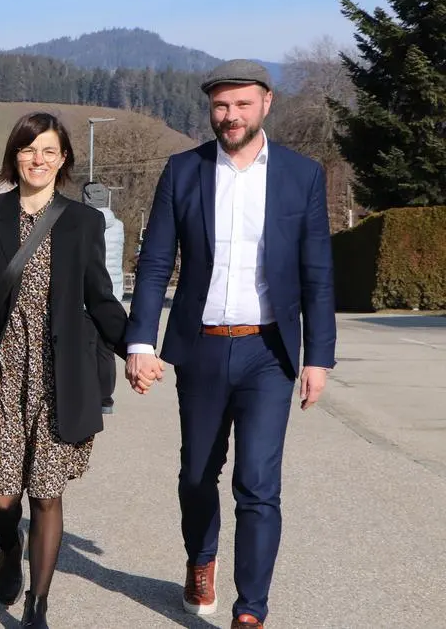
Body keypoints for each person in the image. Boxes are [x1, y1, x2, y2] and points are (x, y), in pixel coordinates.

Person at [124, 59, 337, 629]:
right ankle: (201, 558)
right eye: (221, 105)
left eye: (242, 104)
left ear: (266, 103)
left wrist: (318, 356)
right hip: (201, 347)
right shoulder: (183, 171)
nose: (231, 115)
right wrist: (140, 341)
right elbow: (155, 263)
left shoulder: (301, 175)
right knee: (197, 474)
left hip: (269, 352)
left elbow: (317, 273)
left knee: (258, 484)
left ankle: (251, 610)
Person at [0, 112, 129, 628]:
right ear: (14, 156)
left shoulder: (83, 222)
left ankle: (37, 606)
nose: (37, 160)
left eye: (48, 151)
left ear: (63, 160)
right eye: (28, 149)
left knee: (46, 493)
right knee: (2, 496)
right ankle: (7, 543)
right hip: (2, 370)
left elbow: (100, 300)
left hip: (60, 377)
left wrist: (137, 348)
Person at [81, 181, 126, 414]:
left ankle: (85, 395)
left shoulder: (82, 223)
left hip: (87, 294)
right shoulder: (118, 225)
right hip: (113, 293)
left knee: (84, 347)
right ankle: (106, 399)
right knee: (105, 349)